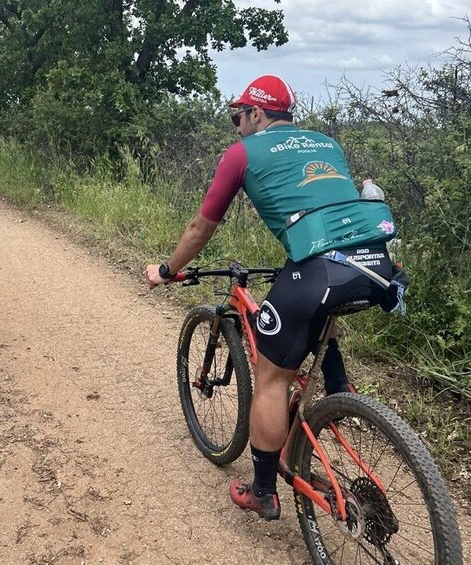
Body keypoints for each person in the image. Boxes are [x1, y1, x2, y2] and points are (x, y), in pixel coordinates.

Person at [145, 75, 399, 520]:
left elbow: (201, 228)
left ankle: (263, 491)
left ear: (257, 114)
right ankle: (339, 396)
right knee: (317, 306)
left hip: (319, 270)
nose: (236, 126)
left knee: (271, 376)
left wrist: (166, 271)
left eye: (237, 117)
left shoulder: (242, 153)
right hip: (375, 268)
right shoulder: (325, 142)